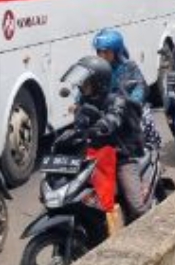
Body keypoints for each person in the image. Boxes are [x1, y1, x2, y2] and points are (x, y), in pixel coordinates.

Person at [64, 55, 149, 226]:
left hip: (121, 156)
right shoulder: (84, 102)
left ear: (98, 83)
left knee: (136, 206)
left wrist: (104, 124)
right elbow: (79, 128)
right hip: (94, 157)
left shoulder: (116, 100)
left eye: (86, 82)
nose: (82, 86)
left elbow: (113, 117)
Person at [92, 28, 161, 151]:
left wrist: (133, 102)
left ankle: (150, 154)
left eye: (106, 52)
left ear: (116, 51)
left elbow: (140, 87)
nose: (102, 56)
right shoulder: (97, 68)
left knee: (143, 126)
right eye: (99, 52)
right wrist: (78, 101)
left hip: (128, 109)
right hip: (107, 109)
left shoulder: (129, 66)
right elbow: (88, 85)